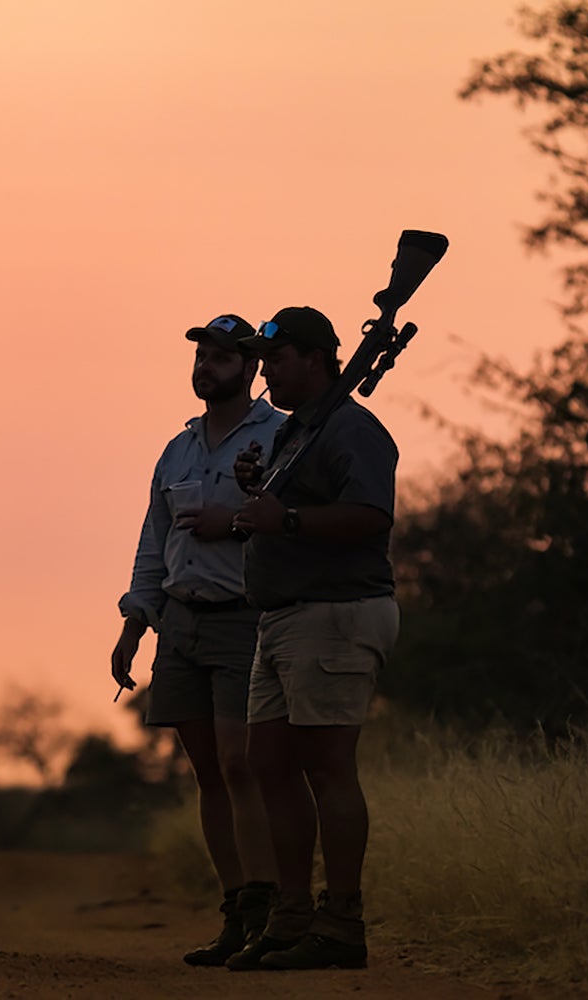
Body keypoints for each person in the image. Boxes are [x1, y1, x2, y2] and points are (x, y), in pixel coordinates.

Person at [223, 306, 399, 972]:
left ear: (314, 358)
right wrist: (260, 491)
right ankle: (293, 915)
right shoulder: (298, 432)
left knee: (328, 768)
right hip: (285, 617)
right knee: (268, 764)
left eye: (276, 358)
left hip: (337, 613)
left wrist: (285, 518)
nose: (265, 371)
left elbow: (369, 513)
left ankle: (342, 921)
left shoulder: (353, 428)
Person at [111, 313, 288, 967]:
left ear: (250, 368)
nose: (205, 366)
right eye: (201, 355)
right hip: (180, 620)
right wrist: (135, 620)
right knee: (209, 772)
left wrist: (235, 521)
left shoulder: (278, 437)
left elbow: (287, 521)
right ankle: (235, 911)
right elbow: (154, 541)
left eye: (219, 356)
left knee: (242, 765)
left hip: (245, 616)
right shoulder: (178, 448)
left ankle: (269, 910)